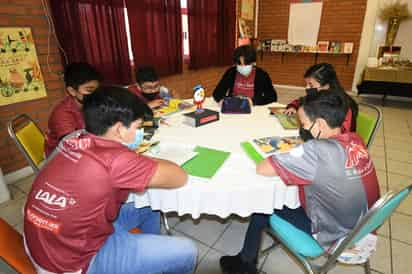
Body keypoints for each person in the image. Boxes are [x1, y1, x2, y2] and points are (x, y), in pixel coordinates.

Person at [24, 86, 197, 274]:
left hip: (44, 241)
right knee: (187, 251)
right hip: (72, 263)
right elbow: (179, 177)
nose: (139, 133)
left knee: (148, 207)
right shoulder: (116, 160)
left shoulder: (74, 138)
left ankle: (148, 264)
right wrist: (137, 159)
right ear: (119, 129)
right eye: (137, 127)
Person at [220, 91, 380, 274]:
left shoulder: (315, 150)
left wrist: (298, 153)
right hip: (364, 226)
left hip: (336, 234)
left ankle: (245, 265)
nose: (302, 129)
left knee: (263, 205)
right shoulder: (356, 139)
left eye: (304, 124)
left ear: (319, 123)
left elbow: (262, 168)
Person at [44, 62, 102, 157]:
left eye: (97, 90)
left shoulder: (91, 104)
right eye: (90, 90)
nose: (96, 95)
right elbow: (73, 146)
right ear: (72, 91)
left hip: (87, 148)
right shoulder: (62, 114)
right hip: (62, 157)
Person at [284, 63, 358, 133]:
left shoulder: (344, 106)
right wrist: (293, 107)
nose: (307, 87)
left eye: (311, 85)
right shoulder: (317, 95)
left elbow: (342, 134)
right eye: (306, 84)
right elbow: (299, 101)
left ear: (327, 85)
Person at [213, 45, 277, 106]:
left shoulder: (262, 75)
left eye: (246, 64)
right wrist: (222, 100)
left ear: (253, 63)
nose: (243, 67)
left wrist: (253, 101)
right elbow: (217, 93)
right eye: (239, 64)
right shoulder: (231, 72)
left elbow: (272, 97)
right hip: (233, 106)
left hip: (253, 108)